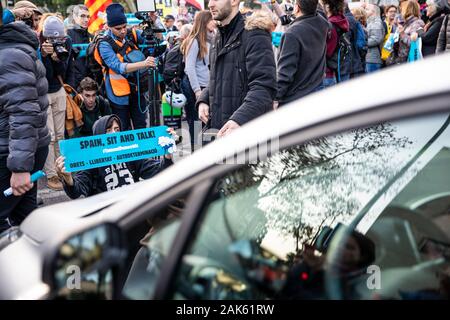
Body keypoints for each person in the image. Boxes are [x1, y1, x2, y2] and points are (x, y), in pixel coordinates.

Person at [0, 1, 50, 233]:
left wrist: (20, 169)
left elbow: (23, 111)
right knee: (26, 219)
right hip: (18, 148)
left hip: (12, 153)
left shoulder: (8, 54)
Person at [197, 0, 277, 138]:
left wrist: (239, 119)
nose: (210, 4)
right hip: (220, 131)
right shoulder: (218, 36)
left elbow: (264, 87)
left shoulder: (255, 34)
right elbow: (217, 78)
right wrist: (204, 100)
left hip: (247, 135)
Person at [55, 115, 175, 199]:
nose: (113, 134)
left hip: (132, 208)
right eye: (108, 130)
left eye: (117, 129)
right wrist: (68, 179)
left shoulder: (130, 153)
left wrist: (167, 155)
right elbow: (77, 191)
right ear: (99, 135)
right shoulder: (91, 160)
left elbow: (158, 171)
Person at [98, 3, 156, 131]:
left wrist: (153, 23)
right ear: (109, 26)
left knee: (141, 127)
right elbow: (118, 67)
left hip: (138, 90)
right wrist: (144, 63)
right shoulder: (104, 44)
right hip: (118, 95)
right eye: (118, 28)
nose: (123, 31)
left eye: (124, 26)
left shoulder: (132, 33)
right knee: (123, 129)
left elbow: (154, 39)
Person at [40, 15, 75, 191]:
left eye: (59, 38)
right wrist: (44, 56)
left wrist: (56, 59)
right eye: (52, 38)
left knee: (60, 134)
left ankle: (62, 169)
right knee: (50, 136)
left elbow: (63, 70)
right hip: (44, 92)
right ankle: (51, 174)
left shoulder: (66, 41)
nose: (56, 41)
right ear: (45, 36)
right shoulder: (38, 42)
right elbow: (42, 75)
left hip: (59, 90)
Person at [275, 0, 329, 107]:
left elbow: (285, 72)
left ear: (297, 8)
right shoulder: (323, 23)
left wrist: (275, 98)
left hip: (297, 97)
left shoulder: (292, 33)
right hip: (316, 87)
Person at [181, 10, 216, 150]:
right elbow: (189, 68)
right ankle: (196, 155)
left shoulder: (212, 38)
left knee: (206, 121)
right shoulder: (194, 41)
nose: (215, 22)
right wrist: (196, 91)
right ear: (205, 22)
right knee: (196, 123)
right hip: (195, 87)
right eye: (212, 19)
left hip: (207, 87)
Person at [322, 0, 350, 87]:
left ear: (327, 6)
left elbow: (327, 51)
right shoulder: (340, 20)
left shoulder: (330, 24)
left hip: (326, 73)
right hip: (334, 69)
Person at [67, 5, 92, 90]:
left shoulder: (92, 37)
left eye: (88, 16)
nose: (86, 20)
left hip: (91, 84)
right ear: (74, 16)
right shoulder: (67, 36)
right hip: (74, 84)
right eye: (82, 16)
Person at [365, 4, 385, 73]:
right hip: (370, 58)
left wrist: (363, 43)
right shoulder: (371, 22)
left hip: (373, 59)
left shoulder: (376, 22)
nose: (365, 11)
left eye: (367, 9)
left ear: (373, 12)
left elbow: (376, 39)